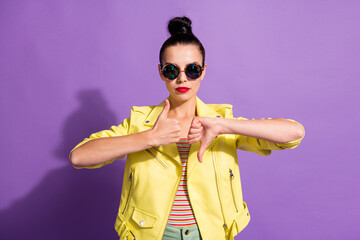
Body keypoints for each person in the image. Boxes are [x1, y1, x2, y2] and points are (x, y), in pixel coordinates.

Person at [69, 16, 305, 240]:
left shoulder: (221, 121)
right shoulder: (140, 123)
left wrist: (222, 125)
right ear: (161, 73)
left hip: (209, 234)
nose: (182, 79)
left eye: (192, 69)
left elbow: (294, 133)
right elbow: (79, 156)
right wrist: (150, 137)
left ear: (203, 71)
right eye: (172, 70)